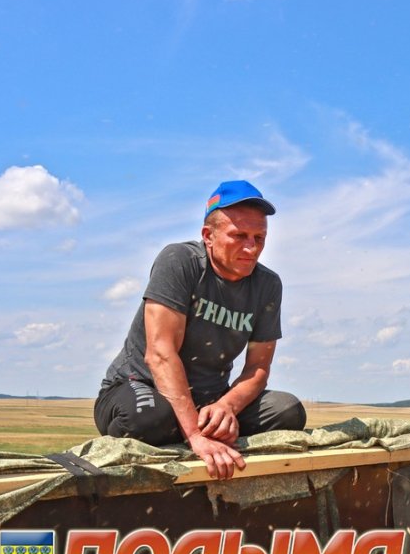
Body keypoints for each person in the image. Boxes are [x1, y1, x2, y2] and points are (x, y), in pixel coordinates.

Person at [94, 180, 306, 479]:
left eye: (259, 237)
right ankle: (186, 436)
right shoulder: (180, 261)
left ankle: (202, 431)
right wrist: (195, 435)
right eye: (239, 236)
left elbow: (258, 368)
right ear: (208, 236)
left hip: (209, 399)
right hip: (142, 388)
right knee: (147, 420)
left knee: (287, 410)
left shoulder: (268, 285)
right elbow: (160, 354)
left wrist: (226, 407)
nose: (251, 247)